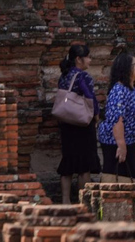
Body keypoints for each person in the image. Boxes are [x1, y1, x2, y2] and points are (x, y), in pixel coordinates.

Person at [57, 43, 100, 203]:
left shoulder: (64, 75)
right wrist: (96, 116)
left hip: (66, 123)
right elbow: (91, 98)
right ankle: (84, 202)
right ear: (78, 59)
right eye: (88, 57)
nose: (90, 60)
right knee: (84, 166)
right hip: (82, 124)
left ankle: (65, 201)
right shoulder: (83, 76)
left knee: (68, 162)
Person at [98, 52, 135, 181]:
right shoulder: (119, 90)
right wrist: (121, 145)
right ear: (126, 68)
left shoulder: (130, 88)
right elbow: (117, 120)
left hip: (130, 139)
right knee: (115, 176)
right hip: (116, 141)